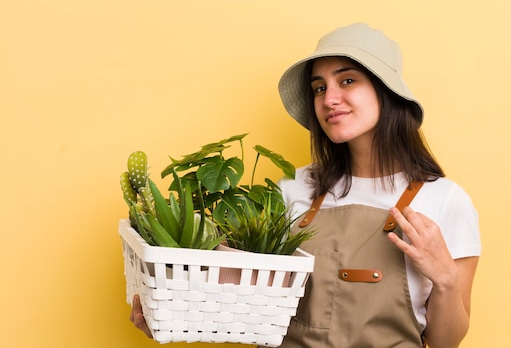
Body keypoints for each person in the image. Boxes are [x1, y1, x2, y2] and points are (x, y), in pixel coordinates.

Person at [130, 22, 481, 348]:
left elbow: (445, 342)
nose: (328, 99)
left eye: (347, 81)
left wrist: (446, 279)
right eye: (319, 87)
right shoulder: (292, 189)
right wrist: (173, 313)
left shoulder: (445, 200)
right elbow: (242, 303)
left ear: (386, 91)